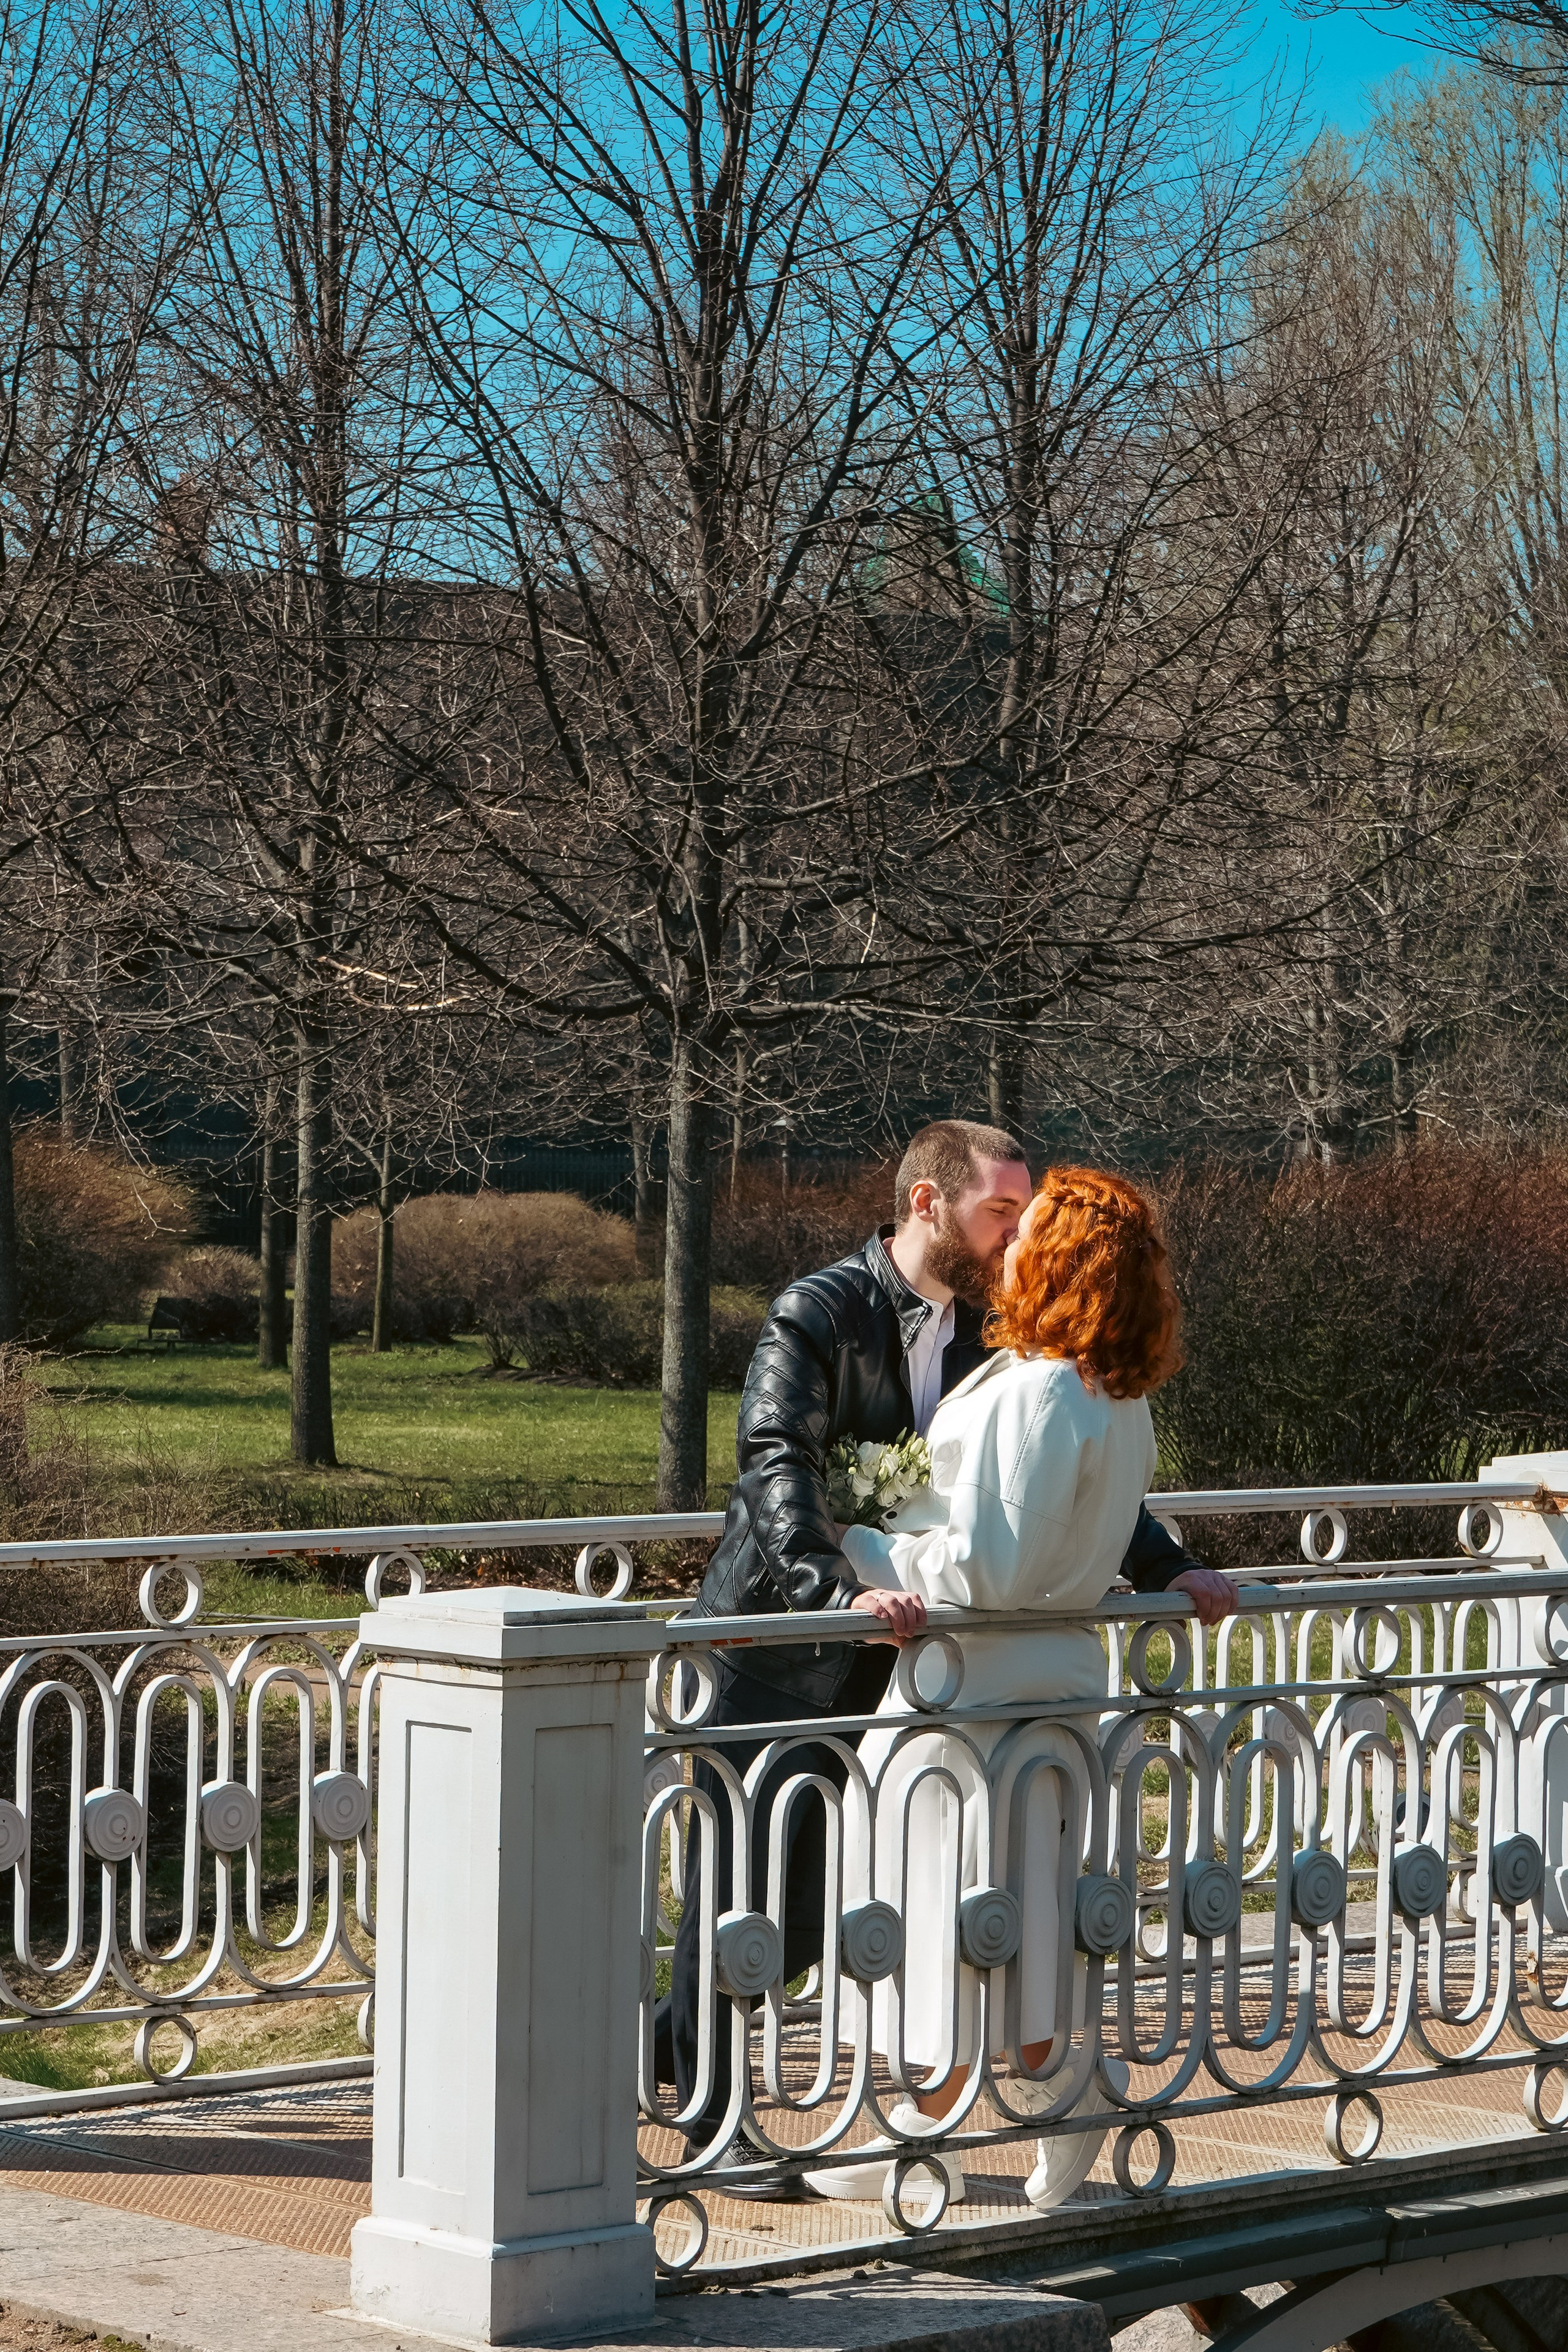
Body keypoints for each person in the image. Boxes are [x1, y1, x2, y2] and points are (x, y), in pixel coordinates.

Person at [655, 1123, 1233, 2185]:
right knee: (745, 1893)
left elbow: (1051, 1490)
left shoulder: (1007, 1342)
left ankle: (866, 2110)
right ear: (929, 1203)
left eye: (1024, 1215)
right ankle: (713, 2121)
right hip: (789, 1642)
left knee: (869, 1905)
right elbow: (777, 1463)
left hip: (922, 1661)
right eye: (998, 1210)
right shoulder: (820, 1310)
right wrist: (836, 1584)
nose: (1013, 1231)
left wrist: (1169, 1565)